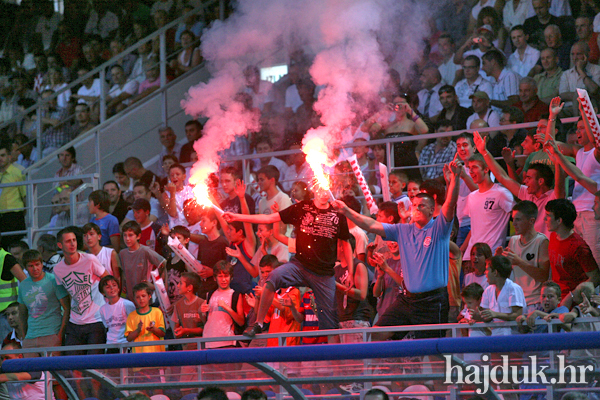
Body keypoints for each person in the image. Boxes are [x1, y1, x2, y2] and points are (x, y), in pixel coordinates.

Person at [331, 157, 462, 340]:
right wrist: (346, 211)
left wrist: (454, 179)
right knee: (377, 336)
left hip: (432, 302)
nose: (415, 208)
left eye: (421, 205)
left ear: (432, 211)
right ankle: (387, 369)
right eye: (414, 205)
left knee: (433, 351)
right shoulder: (402, 230)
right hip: (407, 299)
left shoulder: (439, 228)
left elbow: (450, 205)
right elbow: (371, 225)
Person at [224, 186, 353, 341]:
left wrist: (351, 272)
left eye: (326, 189)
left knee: (330, 324)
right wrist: (237, 217)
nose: (323, 193)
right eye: (320, 189)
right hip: (299, 266)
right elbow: (270, 218)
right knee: (273, 276)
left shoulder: (337, 214)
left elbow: (345, 243)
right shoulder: (302, 207)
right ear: (315, 191)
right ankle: (258, 323)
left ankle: (336, 358)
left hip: (324, 274)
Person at [473, 130, 562, 236]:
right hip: (528, 248)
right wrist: (484, 152)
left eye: (529, 178)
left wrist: (557, 161)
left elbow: (560, 181)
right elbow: (502, 177)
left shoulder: (554, 196)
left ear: (541, 181)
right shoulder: (527, 193)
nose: (525, 181)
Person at [53, 226, 108, 356]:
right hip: (74, 321)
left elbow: (108, 279)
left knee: (94, 365)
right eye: (68, 241)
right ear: (60, 245)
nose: (72, 243)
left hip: (96, 320)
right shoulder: (58, 269)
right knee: (72, 366)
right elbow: (65, 296)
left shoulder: (89, 259)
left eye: (74, 240)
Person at [496, 201, 550, 313]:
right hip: (516, 301)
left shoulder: (542, 241)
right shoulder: (513, 240)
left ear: (531, 221)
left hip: (535, 302)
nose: (514, 223)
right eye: (513, 219)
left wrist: (520, 262)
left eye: (518, 219)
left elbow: (543, 276)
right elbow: (505, 274)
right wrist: (498, 259)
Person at [461, 152, 516, 259]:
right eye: (469, 168)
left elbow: (518, 217)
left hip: (491, 255)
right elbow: (475, 227)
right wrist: (462, 249)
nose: (471, 171)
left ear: (486, 169)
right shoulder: (471, 196)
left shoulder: (501, 193)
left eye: (475, 167)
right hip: (471, 255)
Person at [18, 250, 69, 355]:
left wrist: (60, 335)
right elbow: (22, 314)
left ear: (42, 264)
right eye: (30, 266)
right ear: (26, 268)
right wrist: (24, 337)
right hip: (30, 338)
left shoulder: (53, 280)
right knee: (30, 371)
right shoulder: (23, 285)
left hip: (51, 335)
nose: (35, 268)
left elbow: (67, 308)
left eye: (37, 264)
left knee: (53, 371)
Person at [545, 199, 600, 296]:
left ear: (559, 220)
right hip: (556, 297)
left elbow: (595, 277)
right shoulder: (553, 236)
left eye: (548, 216)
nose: (545, 219)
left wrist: (573, 296)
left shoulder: (578, 247)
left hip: (571, 303)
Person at [471, 255, 526, 335]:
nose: (485, 273)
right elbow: (487, 317)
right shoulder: (488, 290)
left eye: (487, 270)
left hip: (513, 335)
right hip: (494, 335)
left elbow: (517, 315)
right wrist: (477, 317)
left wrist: (495, 314)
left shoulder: (513, 288)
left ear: (495, 272)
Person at [200, 261, 245, 348]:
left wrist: (227, 308)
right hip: (209, 341)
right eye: (220, 276)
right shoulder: (209, 294)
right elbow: (205, 320)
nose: (223, 279)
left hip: (227, 342)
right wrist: (202, 312)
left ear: (231, 277)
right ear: (215, 278)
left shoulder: (235, 295)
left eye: (226, 276)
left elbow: (241, 322)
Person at [119, 221, 166, 301]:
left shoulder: (145, 251)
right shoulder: (122, 253)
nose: (127, 239)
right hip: (129, 298)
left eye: (130, 235)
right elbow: (123, 276)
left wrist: (155, 286)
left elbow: (163, 263)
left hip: (145, 299)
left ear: (138, 236)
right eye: (125, 235)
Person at [559, 42, 600, 115]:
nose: (575, 58)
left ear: (586, 55)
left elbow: (594, 90)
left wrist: (580, 70)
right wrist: (581, 95)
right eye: (572, 54)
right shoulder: (566, 74)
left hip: (589, 108)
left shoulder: (596, 70)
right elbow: (562, 95)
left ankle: (577, 124)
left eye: (578, 54)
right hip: (569, 109)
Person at [0, 140, 26, 249]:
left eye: (3, 155)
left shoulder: (18, 172)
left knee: (15, 247)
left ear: (9, 156)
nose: (0, 158)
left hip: (14, 215)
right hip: (1, 216)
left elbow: (25, 196)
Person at [99, 275, 136, 349]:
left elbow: (134, 325)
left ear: (118, 288)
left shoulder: (127, 304)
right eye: (108, 287)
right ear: (103, 292)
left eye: (114, 285)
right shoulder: (102, 309)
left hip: (125, 343)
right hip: (110, 344)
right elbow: (107, 326)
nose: (112, 288)